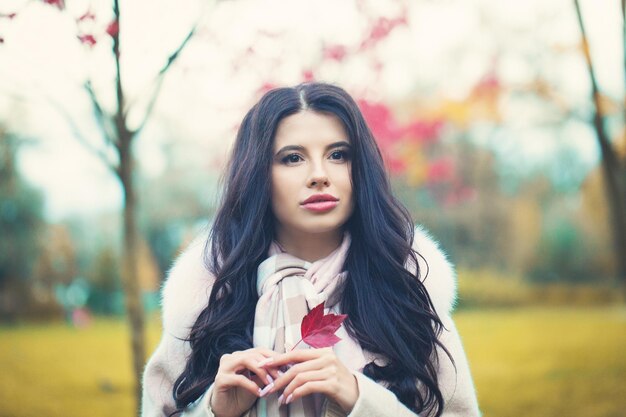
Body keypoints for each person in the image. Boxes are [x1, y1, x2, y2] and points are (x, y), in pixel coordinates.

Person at [141, 82, 481, 417]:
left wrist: (361, 401)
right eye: (292, 158)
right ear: (258, 174)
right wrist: (215, 411)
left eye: (338, 155)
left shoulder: (408, 294)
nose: (319, 175)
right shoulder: (208, 302)